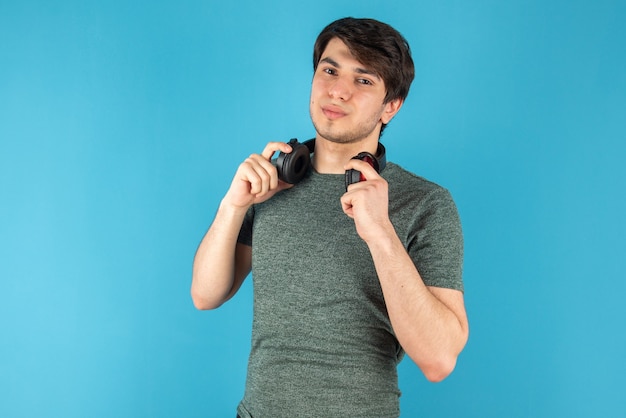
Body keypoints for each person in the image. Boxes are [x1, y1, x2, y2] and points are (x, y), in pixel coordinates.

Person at [192, 17, 469, 418]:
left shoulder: (424, 202)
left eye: (364, 80)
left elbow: (439, 359)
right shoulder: (272, 182)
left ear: (390, 106)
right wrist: (233, 206)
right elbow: (205, 294)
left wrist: (380, 233)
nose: (337, 90)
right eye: (330, 70)